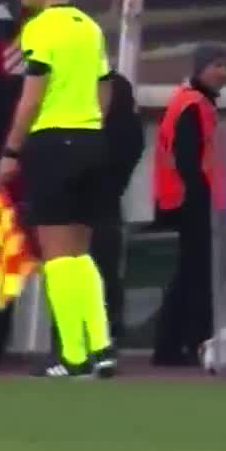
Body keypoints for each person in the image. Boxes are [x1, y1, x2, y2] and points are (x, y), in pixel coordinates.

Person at [0, 0, 116, 379]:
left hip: (53, 143)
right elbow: (106, 86)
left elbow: (32, 96)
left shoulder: (41, 28)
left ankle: (72, 354)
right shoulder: (89, 27)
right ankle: (100, 346)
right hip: (90, 141)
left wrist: (11, 150)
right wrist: (92, 126)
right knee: (81, 253)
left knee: (56, 256)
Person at [152, 46, 226, 366]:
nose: (224, 72)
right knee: (196, 276)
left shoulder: (189, 101)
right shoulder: (194, 105)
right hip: (193, 200)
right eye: (217, 65)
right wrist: (207, 199)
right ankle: (190, 342)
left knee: (189, 274)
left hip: (184, 198)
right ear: (200, 69)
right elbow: (190, 159)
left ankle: (171, 345)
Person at [92, 69, 144, 343]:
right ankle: (106, 336)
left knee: (85, 268)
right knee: (104, 269)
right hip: (106, 198)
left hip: (92, 197)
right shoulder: (118, 87)